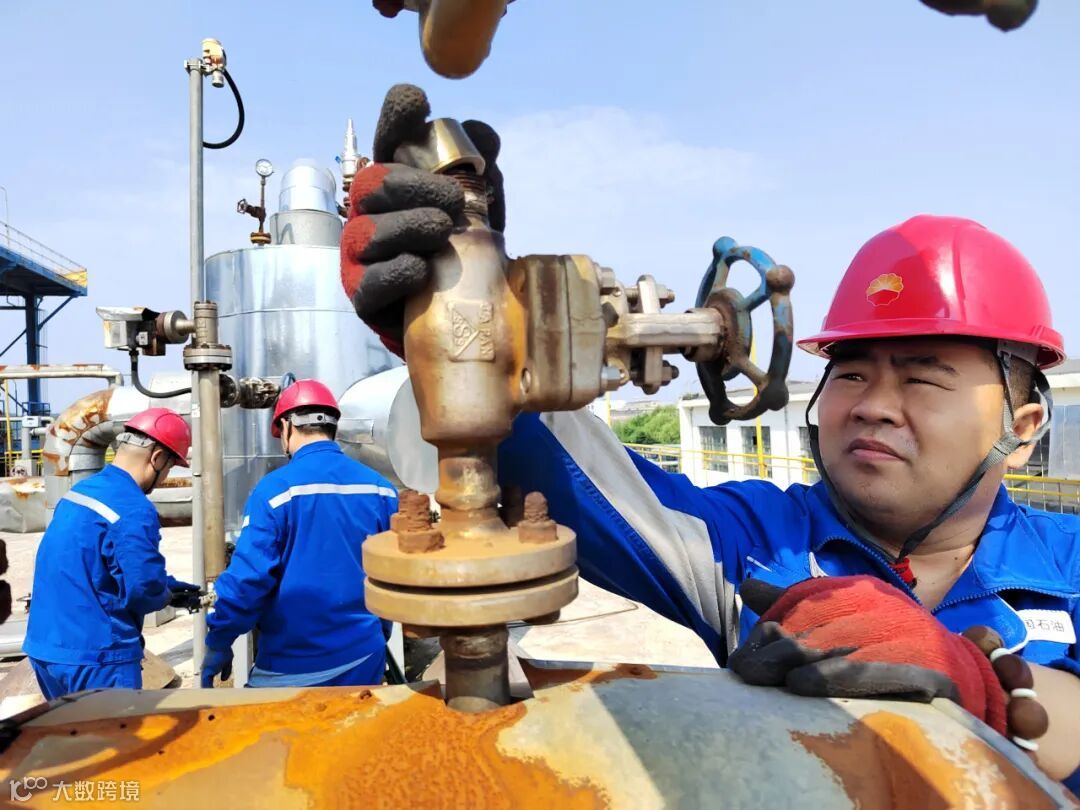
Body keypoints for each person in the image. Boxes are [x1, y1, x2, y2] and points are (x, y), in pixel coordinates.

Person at [337, 85, 1080, 787]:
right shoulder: (753, 540)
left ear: (1021, 430)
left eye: (923, 378)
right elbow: (568, 478)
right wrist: (463, 326)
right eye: (852, 373)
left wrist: (985, 692)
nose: (873, 406)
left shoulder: (1070, 561)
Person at [201, 379, 398, 688]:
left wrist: (220, 639)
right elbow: (391, 576)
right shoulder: (381, 489)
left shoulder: (275, 490)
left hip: (294, 663)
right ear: (333, 426)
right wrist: (378, 634)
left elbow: (248, 579)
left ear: (287, 426)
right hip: (364, 656)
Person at [24, 408, 199, 698]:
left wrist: (166, 585)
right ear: (157, 458)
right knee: (115, 729)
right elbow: (143, 590)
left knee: (71, 729)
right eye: (169, 467)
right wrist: (164, 593)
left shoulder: (80, 493)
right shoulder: (132, 507)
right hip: (98, 657)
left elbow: (92, 568)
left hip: (47, 649)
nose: (165, 477)